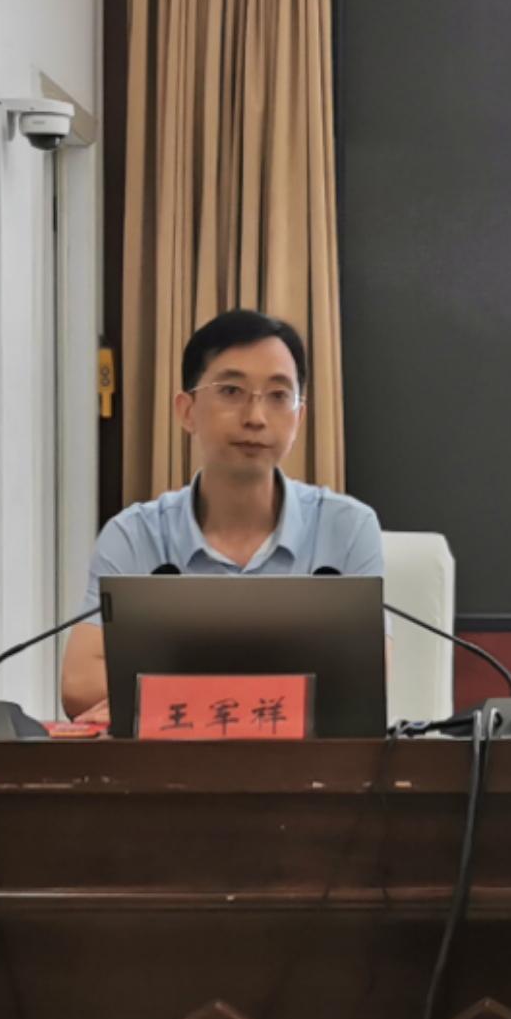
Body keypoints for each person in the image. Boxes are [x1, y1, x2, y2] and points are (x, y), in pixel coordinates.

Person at [59, 309, 382, 723]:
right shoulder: (134, 536)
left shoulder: (347, 529)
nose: (256, 417)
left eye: (278, 395)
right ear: (187, 410)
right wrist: (273, 698)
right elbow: (80, 686)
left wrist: (167, 700)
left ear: (299, 417)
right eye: (231, 391)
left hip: (303, 767)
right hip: (171, 765)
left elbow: (365, 686)